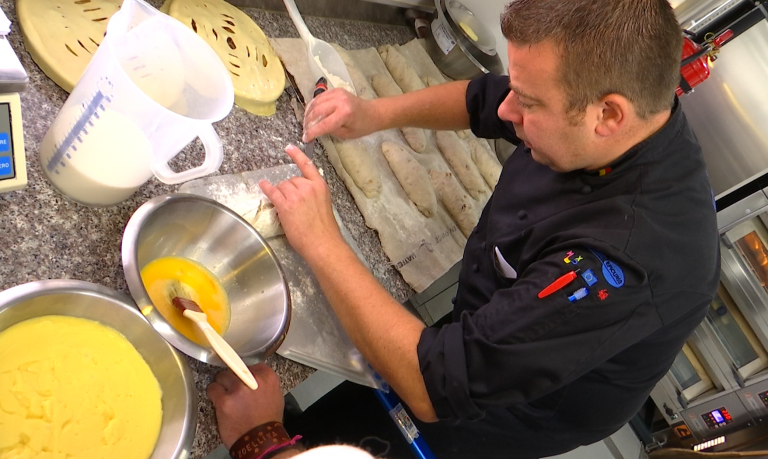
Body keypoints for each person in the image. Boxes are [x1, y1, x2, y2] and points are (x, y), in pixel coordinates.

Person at [209, 0, 720, 457]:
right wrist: (369, 114)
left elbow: (436, 387)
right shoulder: (597, 116)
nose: (507, 110)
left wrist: (322, 242)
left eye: (530, 104)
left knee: (385, 429)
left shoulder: (621, 265)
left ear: (608, 115)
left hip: (493, 418)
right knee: (342, 416)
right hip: (464, 336)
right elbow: (484, 99)